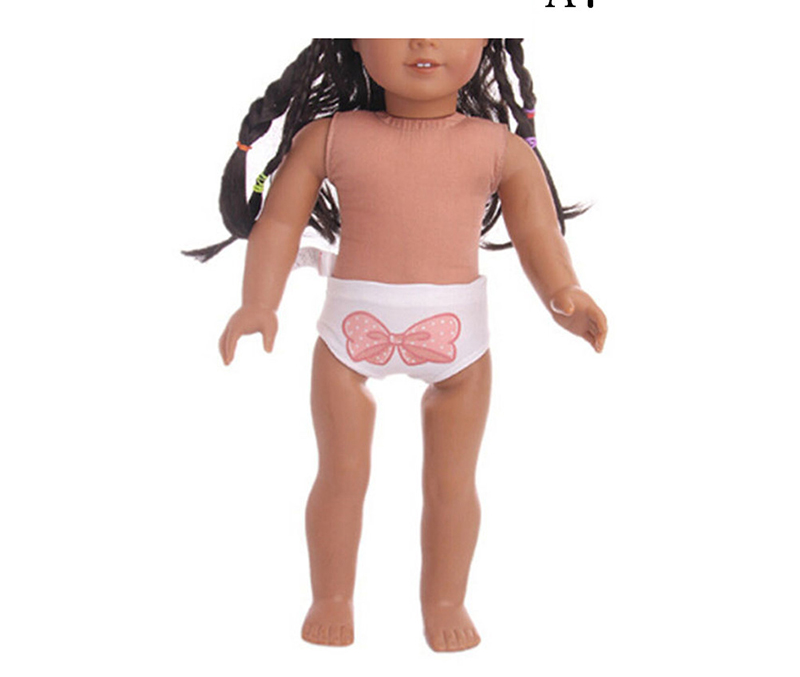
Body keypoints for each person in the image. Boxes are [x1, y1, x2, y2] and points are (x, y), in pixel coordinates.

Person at [184, 39, 608, 652]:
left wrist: (564, 293)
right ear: (355, 36)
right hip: (348, 338)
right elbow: (278, 223)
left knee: (452, 484)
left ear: (486, 39)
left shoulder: (499, 149)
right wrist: (259, 303)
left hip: (459, 345)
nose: (424, 39)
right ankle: (331, 597)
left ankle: (445, 601)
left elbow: (537, 231)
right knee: (341, 475)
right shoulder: (329, 138)